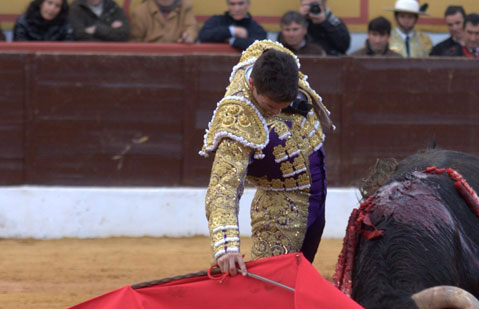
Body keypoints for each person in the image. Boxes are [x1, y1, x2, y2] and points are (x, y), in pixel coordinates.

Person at [200, 40, 333, 276]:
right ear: (252, 85)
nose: (277, 112)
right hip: (280, 207)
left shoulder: (269, 55)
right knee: (271, 284)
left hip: (317, 190)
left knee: (300, 274)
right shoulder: (237, 118)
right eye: (271, 106)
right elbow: (223, 187)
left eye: (283, 105)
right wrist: (226, 246)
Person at [198, 0, 267, 52]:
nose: (237, 9)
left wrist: (232, 40)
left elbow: (260, 46)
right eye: (232, 4)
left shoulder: (257, 28)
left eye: (241, 3)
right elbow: (203, 36)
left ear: (248, 4)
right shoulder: (216, 21)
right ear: (228, 5)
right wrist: (232, 31)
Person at [129, 0, 197, 43]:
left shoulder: (185, 8)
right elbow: (135, 41)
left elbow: (191, 27)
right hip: (150, 59)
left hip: (177, 57)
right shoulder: (140, 12)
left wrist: (189, 36)